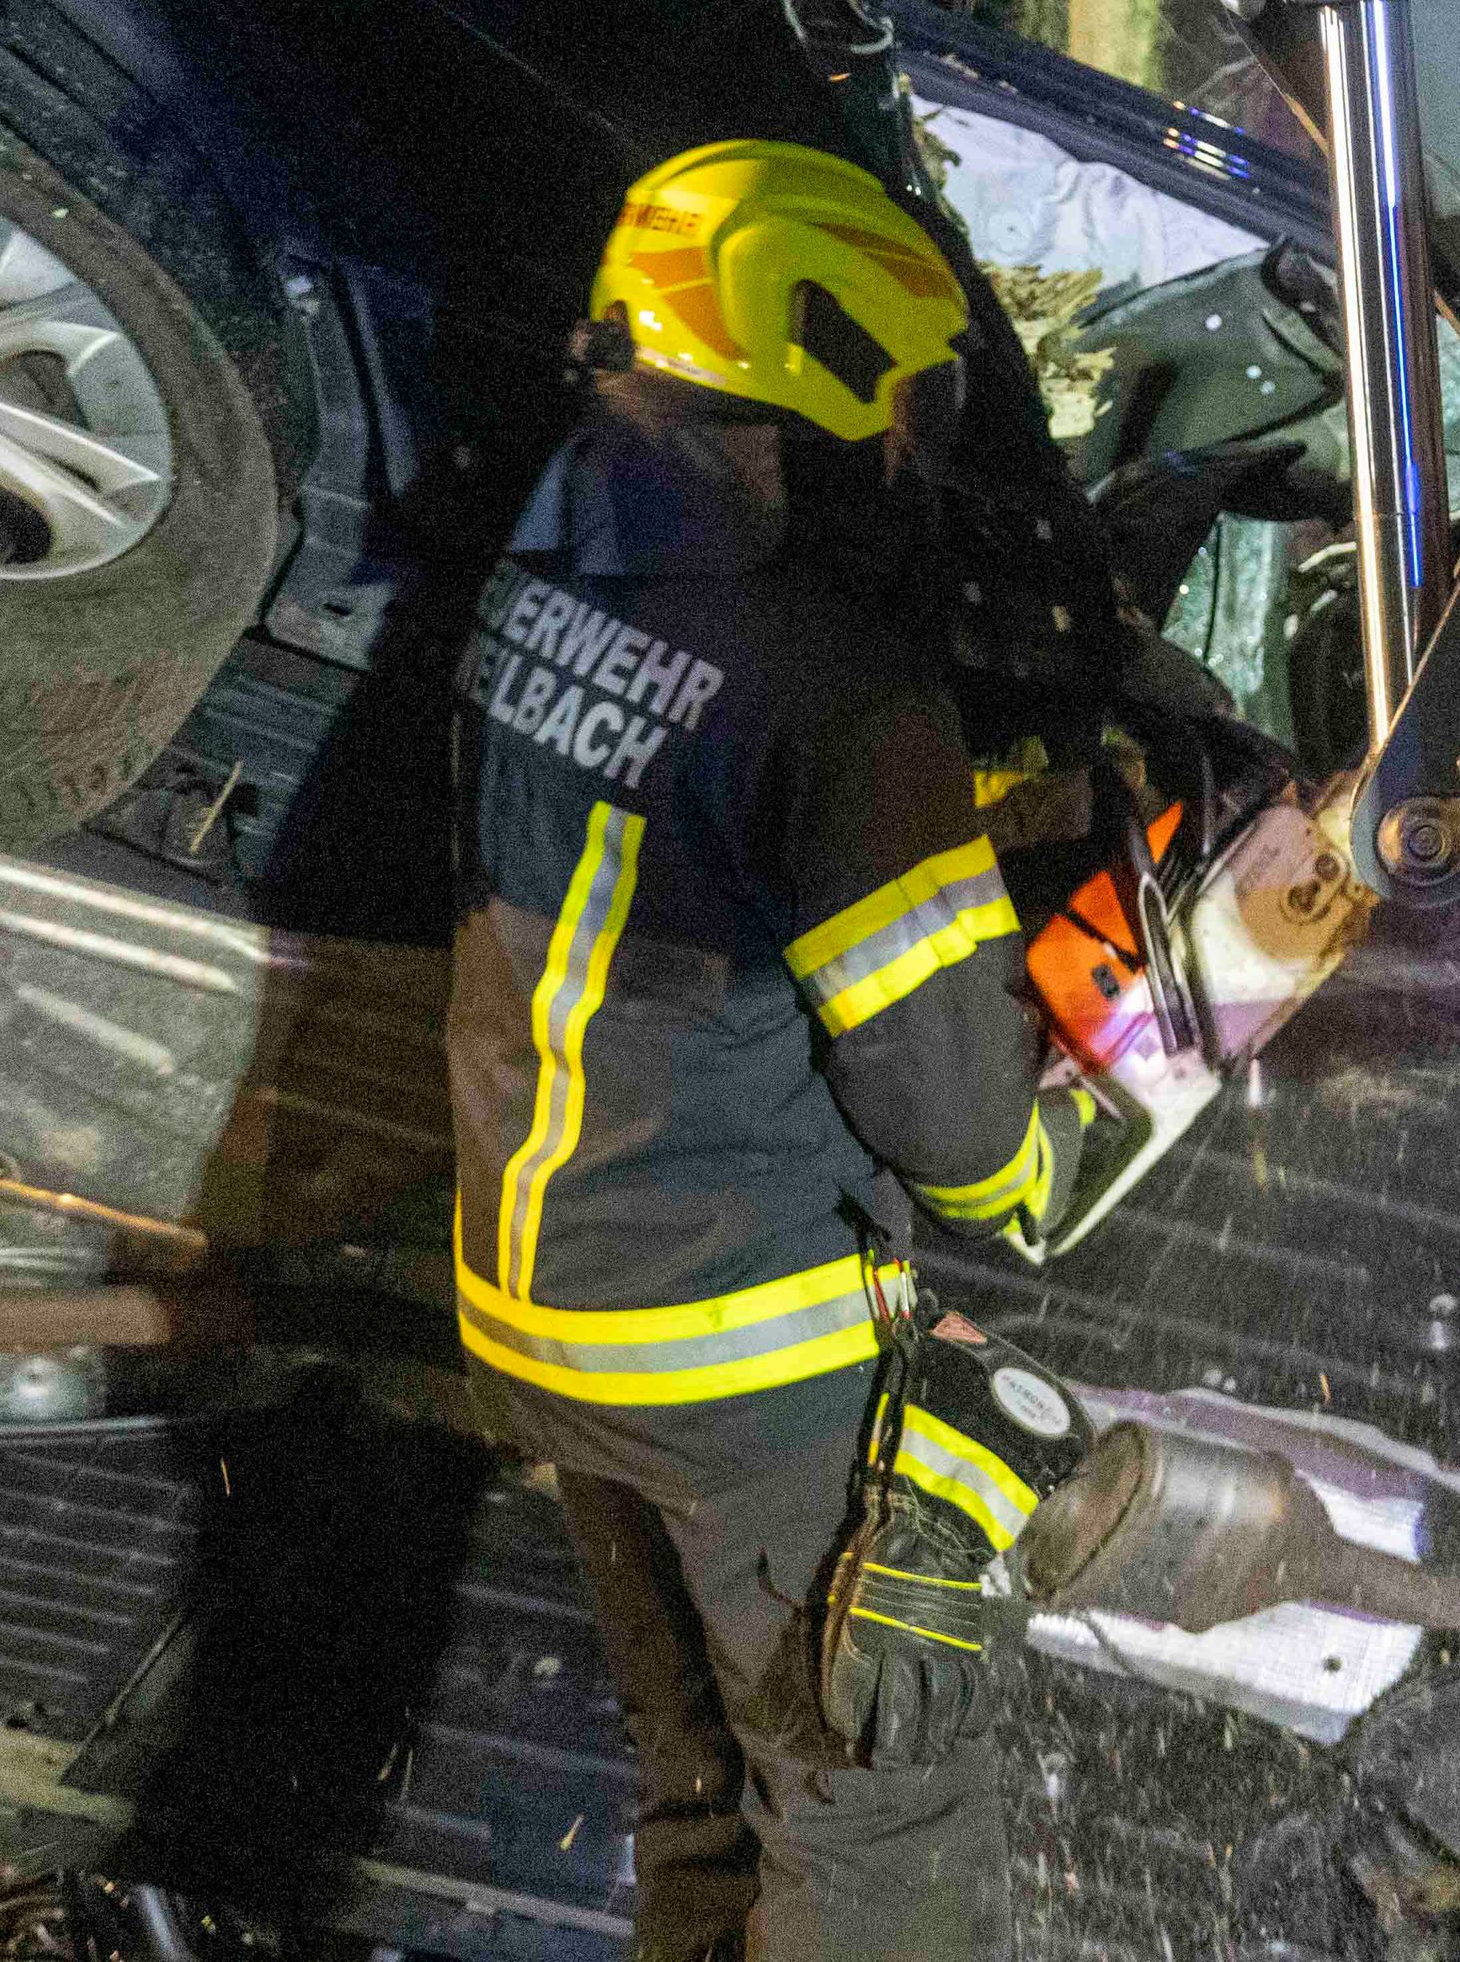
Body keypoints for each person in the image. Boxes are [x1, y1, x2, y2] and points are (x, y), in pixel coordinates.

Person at [451, 135, 1097, 1960]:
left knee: (709, 1809)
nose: (914, 455)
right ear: (814, 370)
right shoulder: (840, 685)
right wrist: (1041, 1166)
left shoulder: (544, 560)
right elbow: (955, 1119)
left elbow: (685, 815)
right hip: (739, 1351)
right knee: (873, 1813)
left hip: (544, 1314)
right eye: (910, 403)